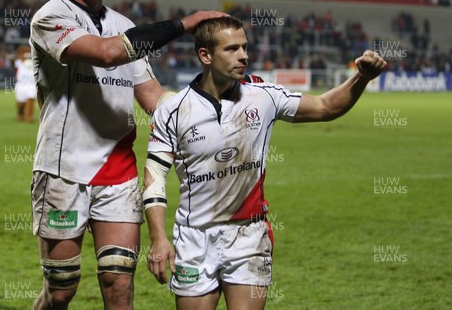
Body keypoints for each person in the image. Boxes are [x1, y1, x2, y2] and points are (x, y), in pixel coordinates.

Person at [28, 0, 225, 310]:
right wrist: (185, 24)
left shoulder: (124, 24)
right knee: (62, 289)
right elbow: (104, 53)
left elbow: (153, 98)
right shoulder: (50, 17)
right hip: (62, 170)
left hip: (118, 173)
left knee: (119, 285)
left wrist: (210, 110)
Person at [142, 16, 386, 310]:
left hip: (248, 235)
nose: (243, 55)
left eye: (244, 47)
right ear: (205, 55)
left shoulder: (263, 95)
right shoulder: (172, 109)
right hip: (194, 236)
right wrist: (158, 238)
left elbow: (325, 106)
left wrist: (361, 78)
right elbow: (154, 179)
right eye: (232, 49)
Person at [13, 46, 37, 122]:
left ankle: (30, 117)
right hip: (21, 85)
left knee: (30, 100)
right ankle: (20, 114)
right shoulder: (19, 62)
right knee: (20, 103)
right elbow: (13, 60)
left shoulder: (36, 61)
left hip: (31, 84)